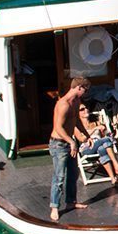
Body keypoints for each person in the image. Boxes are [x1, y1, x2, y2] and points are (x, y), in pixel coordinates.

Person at [50, 76, 91, 221]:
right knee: (59, 176)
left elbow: (76, 120)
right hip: (59, 144)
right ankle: (54, 207)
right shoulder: (64, 104)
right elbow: (58, 128)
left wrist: (87, 135)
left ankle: (70, 202)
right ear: (79, 87)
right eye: (84, 90)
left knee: (73, 173)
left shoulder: (76, 102)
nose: (85, 93)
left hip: (69, 142)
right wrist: (72, 142)